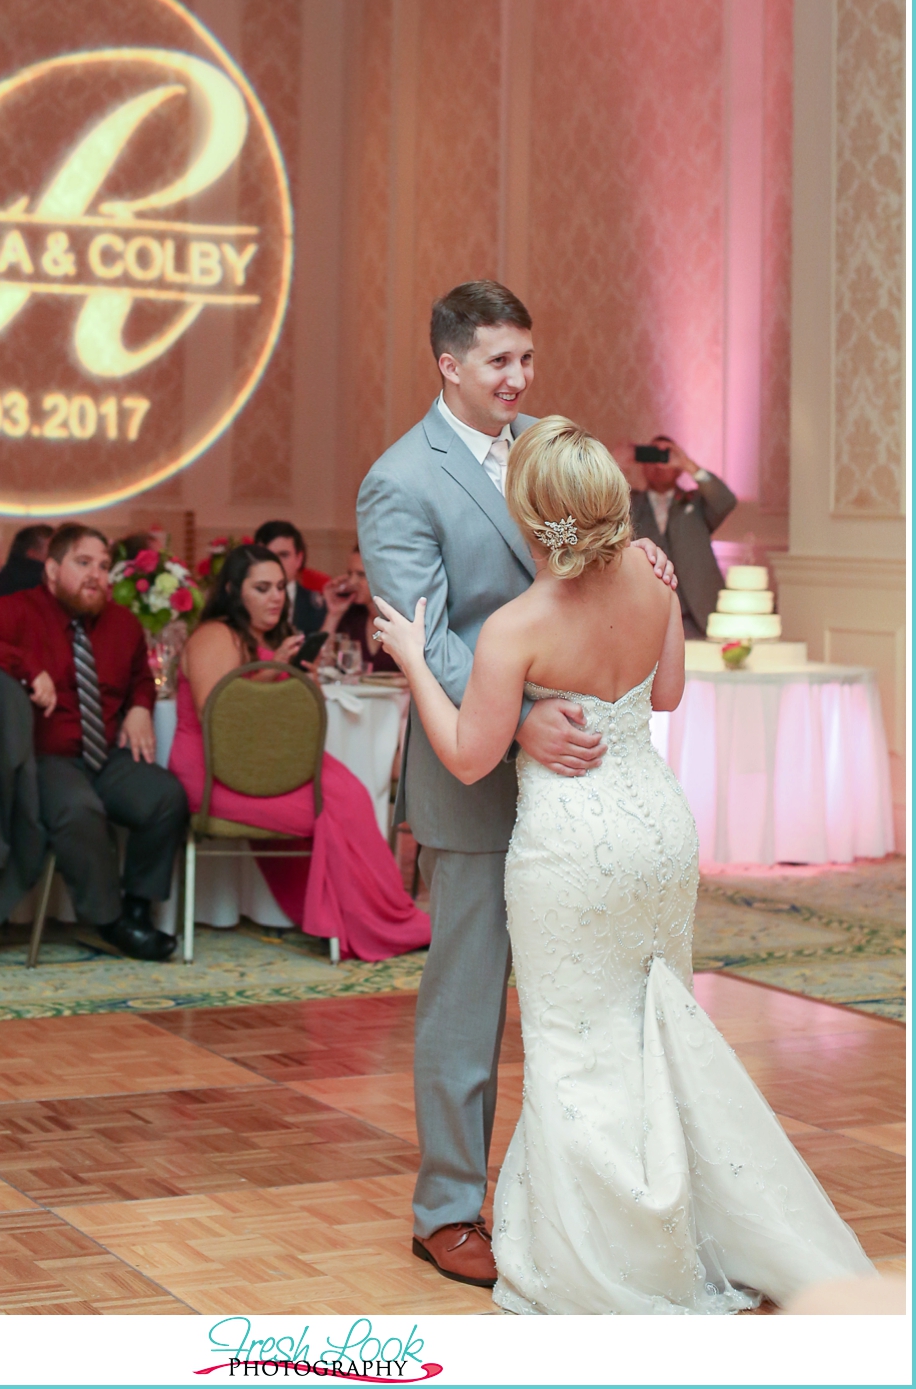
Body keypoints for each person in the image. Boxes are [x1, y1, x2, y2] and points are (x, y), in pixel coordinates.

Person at [373, 417, 874, 1314]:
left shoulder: (515, 626)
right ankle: (685, 1218)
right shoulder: (651, 576)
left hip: (570, 847)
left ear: (530, 515)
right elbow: (671, 693)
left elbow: (465, 755)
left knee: (574, 1042)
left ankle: (611, 1246)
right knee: (655, 1026)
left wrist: (413, 659)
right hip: (658, 828)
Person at [356, 279, 677, 1289]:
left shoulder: (550, 445)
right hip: (478, 770)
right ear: (449, 364)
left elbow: (596, 573)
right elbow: (432, 626)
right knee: (468, 994)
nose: (520, 378)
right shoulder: (399, 480)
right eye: (499, 361)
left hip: (581, 788)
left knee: (587, 991)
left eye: (527, 359)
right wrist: (521, 715)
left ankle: (589, 1197)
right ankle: (449, 1207)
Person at [169, 544, 431, 960]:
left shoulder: (265, 638)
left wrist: (291, 678)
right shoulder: (215, 635)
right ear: (235, 591)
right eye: (261, 588)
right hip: (217, 773)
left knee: (351, 796)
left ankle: (382, 916)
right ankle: (375, 922)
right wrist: (278, 677)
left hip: (263, 767)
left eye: (279, 587)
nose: (275, 597)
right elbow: (217, 716)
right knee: (337, 805)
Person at [0, 523, 188, 961]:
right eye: (83, 563)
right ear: (52, 570)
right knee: (79, 810)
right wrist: (24, 667)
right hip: (47, 758)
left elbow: (141, 677)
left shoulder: (123, 623)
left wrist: (138, 705)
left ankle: (137, 908)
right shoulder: (19, 610)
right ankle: (111, 922)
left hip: (107, 758)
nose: (96, 574)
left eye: (102, 565)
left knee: (166, 795)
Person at [629, 436, 737, 637]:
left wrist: (688, 465)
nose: (659, 464)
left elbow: (726, 501)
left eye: (665, 456)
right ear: (642, 464)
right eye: (651, 456)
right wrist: (615, 462)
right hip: (643, 615)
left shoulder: (695, 502)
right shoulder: (629, 503)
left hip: (696, 615)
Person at [320, 543, 402, 675]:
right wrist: (334, 614)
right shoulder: (351, 615)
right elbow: (321, 666)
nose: (352, 582)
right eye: (349, 573)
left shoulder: (402, 619)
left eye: (361, 575)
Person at [252, 521, 326, 637]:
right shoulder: (246, 604)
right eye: (268, 555)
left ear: (299, 559)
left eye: (284, 555)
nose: (276, 563)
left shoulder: (318, 608)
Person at [0, 524, 53, 605]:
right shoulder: (43, 581)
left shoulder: (2, 578)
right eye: (52, 550)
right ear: (32, 553)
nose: (57, 555)